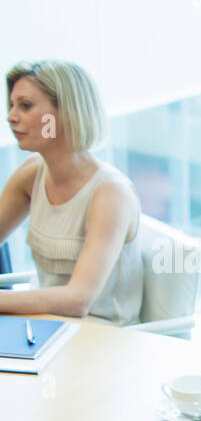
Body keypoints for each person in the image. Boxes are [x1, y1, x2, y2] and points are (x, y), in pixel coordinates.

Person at [0, 59, 142, 324]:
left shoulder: (111, 193)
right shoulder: (31, 174)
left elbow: (78, 300)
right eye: (11, 105)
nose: (11, 116)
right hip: (47, 327)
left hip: (103, 337)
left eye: (25, 106)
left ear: (66, 113)